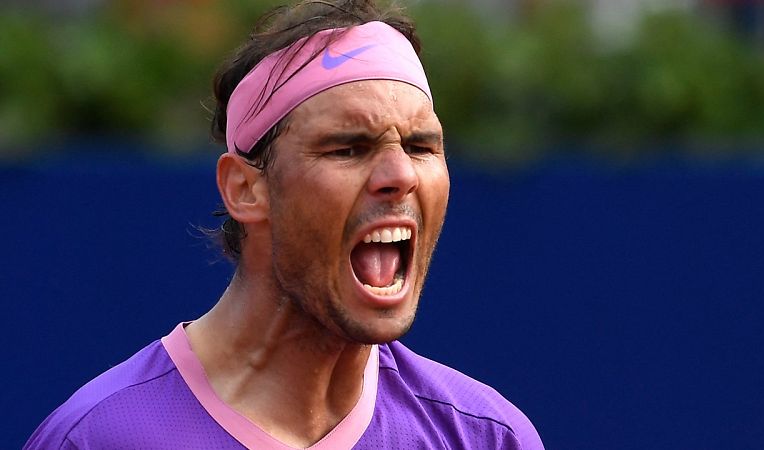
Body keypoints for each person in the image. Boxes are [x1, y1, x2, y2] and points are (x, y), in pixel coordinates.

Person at [25, 1, 545, 448]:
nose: (401, 175)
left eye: (420, 146)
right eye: (348, 149)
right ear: (244, 189)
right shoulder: (97, 438)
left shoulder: (486, 437)